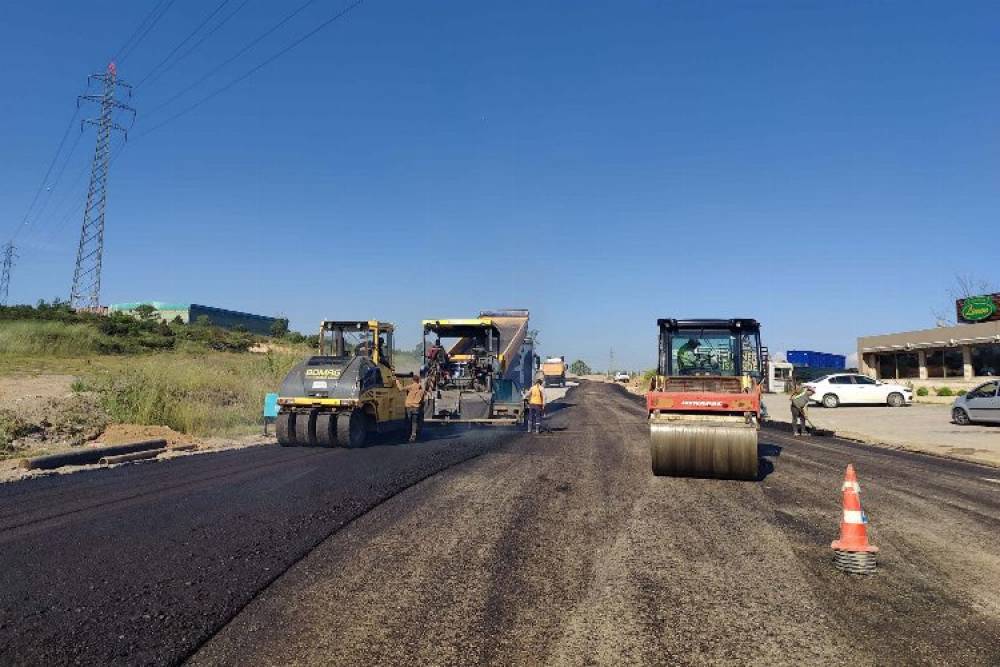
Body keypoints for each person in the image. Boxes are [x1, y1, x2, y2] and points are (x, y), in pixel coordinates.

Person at [404, 376, 427, 443]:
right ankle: (413, 435)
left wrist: (397, 381)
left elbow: (402, 389)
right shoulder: (421, 389)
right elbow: (424, 398)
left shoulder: (410, 387)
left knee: (408, 420)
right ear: (418, 380)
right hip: (416, 407)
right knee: (415, 422)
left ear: (413, 380)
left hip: (409, 406)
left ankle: (408, 434)